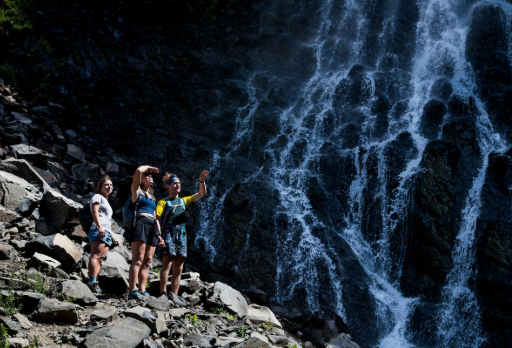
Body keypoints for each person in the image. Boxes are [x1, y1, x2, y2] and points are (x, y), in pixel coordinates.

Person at [156, 170, 209, 296]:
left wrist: (201, 181)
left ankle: (174, 294)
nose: (177, 185)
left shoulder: (185, 201)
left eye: (179, 183)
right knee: (167, 264)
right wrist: (158, 235)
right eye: (174, 183)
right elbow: (156, 219)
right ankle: (163, 292)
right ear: (168, 186)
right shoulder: (163, 202)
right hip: (169, 233)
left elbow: (202, 193)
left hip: (182, 235)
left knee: (179, 268)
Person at [127, 165, 165, 299]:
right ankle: (132, 290)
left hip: (152, 227)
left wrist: (159, 235)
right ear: (141, 178)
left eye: (151, 175)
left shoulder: (153, 198)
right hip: (141, 224)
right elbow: (138, 171)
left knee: (148, 261)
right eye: (147, 174)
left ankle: (142, 289)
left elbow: (156, 218)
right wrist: (149, 167)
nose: (150, 175)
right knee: (138, 259)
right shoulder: (136, 191)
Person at [87, 175, 114, 293]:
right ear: (100, 187)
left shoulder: (106, 201)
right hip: (98, 229)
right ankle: (92, 281)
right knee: (96, 255)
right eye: (106, 185)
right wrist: (99, 227)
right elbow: (94, 212)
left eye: (111, 185)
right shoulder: (97, 196)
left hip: (106, 231)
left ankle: (95, 282)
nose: (109, 187)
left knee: (100, 258)